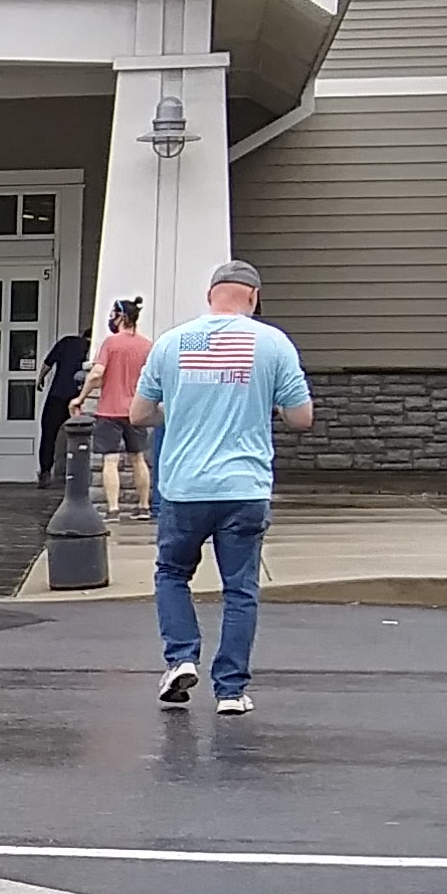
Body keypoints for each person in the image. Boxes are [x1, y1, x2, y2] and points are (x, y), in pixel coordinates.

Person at [134, 259, 312, 717]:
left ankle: (181, 657)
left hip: (184, 486)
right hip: (244, 487)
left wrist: (177, 412)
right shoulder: (273, 343)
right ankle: (230, 691)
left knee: (173, 573)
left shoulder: (172, 342)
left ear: (210, 295)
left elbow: (139, 414)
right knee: (240, 589)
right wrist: (268, 404)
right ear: (253, 296)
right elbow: (301, 417)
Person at [78, 298, 154, 519]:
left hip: (110, 410)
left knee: (110, 459)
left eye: (113, 314)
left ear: (121, 317)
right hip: (136, 410)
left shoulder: (110, 343)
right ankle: (143, 507)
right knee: (138, 458)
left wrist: (81, 398)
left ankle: (113, 509)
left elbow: (97, 374)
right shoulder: (146, 345)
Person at [34, 325, 90, 483]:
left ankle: (45, 471)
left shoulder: (67, 342)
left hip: (58, 395)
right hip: (80, 397)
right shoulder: (94, 348)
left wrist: (40, 378)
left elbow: (48, 362)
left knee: (48, 434)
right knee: (83, 435)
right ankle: (80, 475)